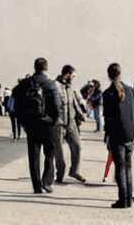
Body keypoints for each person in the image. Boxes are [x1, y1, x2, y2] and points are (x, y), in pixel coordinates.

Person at [14, 57, 62, 194]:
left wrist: (22, 121)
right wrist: (56, 119)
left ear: (35, 67)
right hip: (47, 123)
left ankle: (36, 186)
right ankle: (46, 181)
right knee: (50, 152)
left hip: (31, 123)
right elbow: (57, 103)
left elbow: (16, 102)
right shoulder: (50, 84)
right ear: (46, 67)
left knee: (33, 155)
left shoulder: (25, 83)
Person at [102, 63, 134, 209]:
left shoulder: (108, 93)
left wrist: (107, 134)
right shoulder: (130, 90)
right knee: (128, 167)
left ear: (109, 75)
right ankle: (128, 200)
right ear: (120, 73)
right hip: (130, 134)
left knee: (120, 168)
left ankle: (122, 200)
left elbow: (108, 117)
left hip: (117, 134)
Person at [53, 65, 86, 183]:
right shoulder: (54, 86)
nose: (73, 78)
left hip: (71, 122)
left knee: (77, 146)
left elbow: (74, 103)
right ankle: (60, 174)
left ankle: (74, 171)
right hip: (58, 123)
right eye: (73, 76)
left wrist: (81, 114)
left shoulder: (70, 87)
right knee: (59, 151)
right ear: (67, 74)